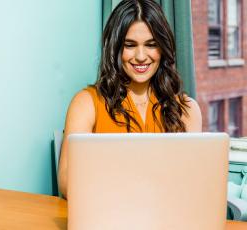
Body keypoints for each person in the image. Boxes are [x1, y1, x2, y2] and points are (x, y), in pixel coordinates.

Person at [58, 0, 202, 198]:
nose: (141, 56)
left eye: (151, 45)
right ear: (116, 49)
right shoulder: (86, 104)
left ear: (162, 48)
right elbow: (66, 183)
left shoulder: (187, 109)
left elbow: (194, 184)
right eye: (130, 45)